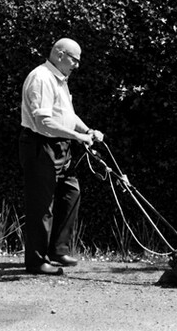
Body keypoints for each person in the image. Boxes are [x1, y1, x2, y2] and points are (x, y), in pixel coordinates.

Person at [19, 38, 105, 275]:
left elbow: (67, 114)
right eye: (74, 59)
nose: (77, 65)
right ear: (59, 54)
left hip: (60, 145)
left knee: (71, 193)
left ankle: (58, 250)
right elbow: (43, 123)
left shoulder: (60, 79)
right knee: (41, 205)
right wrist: (78, 137)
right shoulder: (41, 78)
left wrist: (87, 130)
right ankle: (37, 262)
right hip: (40, 145)